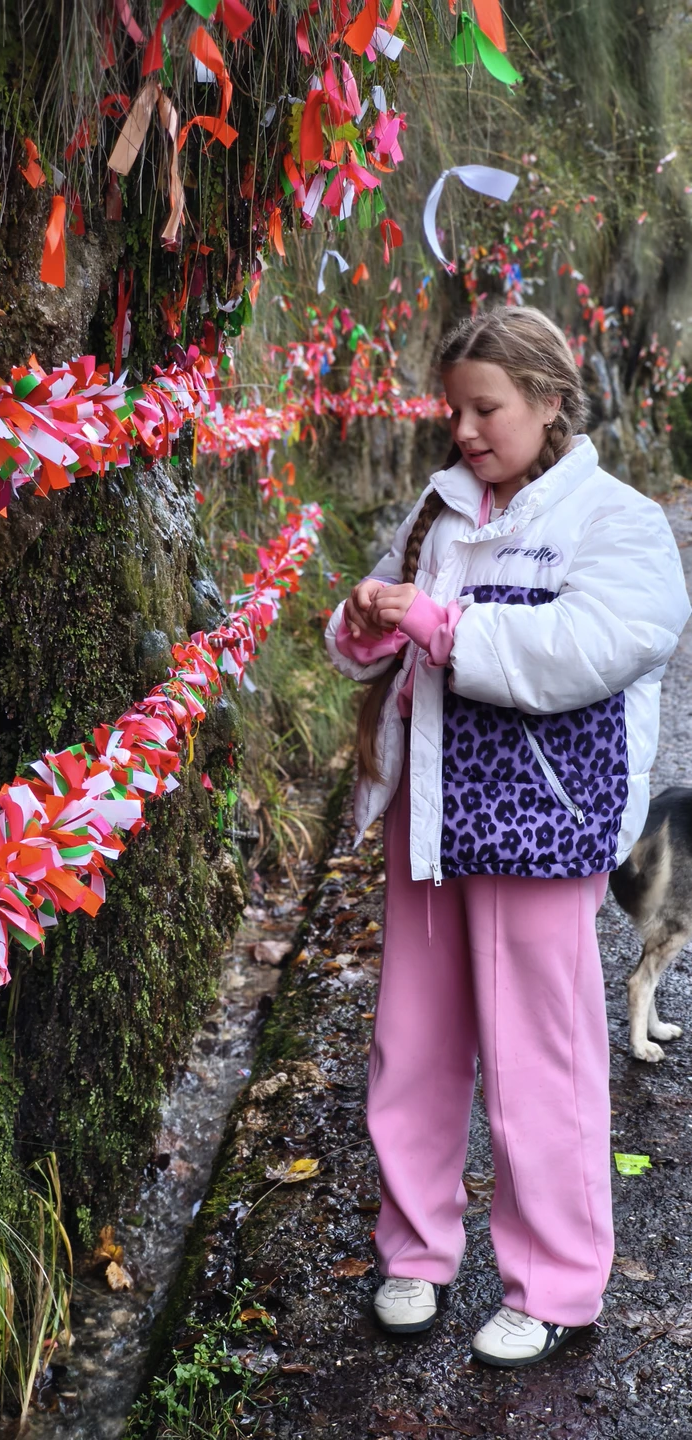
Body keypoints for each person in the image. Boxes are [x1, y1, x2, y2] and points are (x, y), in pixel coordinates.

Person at [324, 306, 690, 1368]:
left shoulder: (611, 522)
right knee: (413, 1046)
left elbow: (591, 646)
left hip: (540, 824)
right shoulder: (436, 513)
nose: (467, 430)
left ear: (547, 398)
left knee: (544, 1057)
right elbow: (369, 657)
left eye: (485, 408)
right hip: (428, 819)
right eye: (455, 411)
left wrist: (443, 626)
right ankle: (414, 1250)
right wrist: (361, 624)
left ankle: (555, 1282)